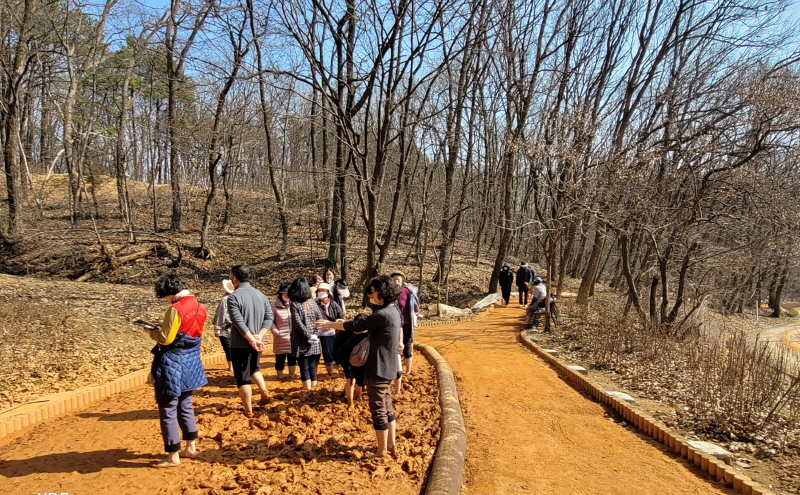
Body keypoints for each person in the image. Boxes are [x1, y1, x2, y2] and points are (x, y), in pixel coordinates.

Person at [316, 275, 401, 457]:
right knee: (387, 407)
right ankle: (391, 445)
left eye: (373, 292)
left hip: (378, 368)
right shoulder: (393, 310)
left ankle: (381, 450)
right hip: (388, 367)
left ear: (382, 292)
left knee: (378, 410)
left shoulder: (382, 314)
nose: (370, 295)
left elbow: (357, 324)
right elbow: (363, 326)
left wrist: (328, 324)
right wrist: (340, 323)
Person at [146, 273, 207, 468]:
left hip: (172, 364)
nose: (164, 300)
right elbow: (189, 332)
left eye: (164, 296)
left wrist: (151, 331)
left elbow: (165, 339)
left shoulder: (175, 309)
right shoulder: (200, 306)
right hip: (191, 362)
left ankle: (173, 455)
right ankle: (191, 446)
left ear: (169, 292)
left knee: (168, 408)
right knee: (186, 405)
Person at [227, 264, 274, 416]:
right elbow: (269, 317)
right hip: (257, 342)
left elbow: (238, 321)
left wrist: (250, 339)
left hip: (240, 343)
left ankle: (249, 410)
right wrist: (259, 336)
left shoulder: (233, 297)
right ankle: (264, 391)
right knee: (254, 368)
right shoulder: (261, 295)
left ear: (234, 278)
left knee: (242, 378)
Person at [288, 277, 324, 390]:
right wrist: (315, 335)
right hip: (314, 340)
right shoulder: (312, 302)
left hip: (300, 340)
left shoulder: (294, 304)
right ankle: (313, 388)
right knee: (312, 365)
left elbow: (298, 323)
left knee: (304, 366)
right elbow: (320, 319)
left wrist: (308, 335)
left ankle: (307, 389)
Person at [390, 271, 419, 376]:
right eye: (394, 280)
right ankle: (394, 367)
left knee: (406, 345)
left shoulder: (406, 291)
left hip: (405, 322)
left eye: (399, 280)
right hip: (393, 322)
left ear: (402, 281)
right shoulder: (388, 292)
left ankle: (408, 370)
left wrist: (415, 315)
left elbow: (412, 306)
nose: (396, 282)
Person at [316, 282, 344, 378]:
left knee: (328, 355)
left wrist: (332, 323)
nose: (321, 292)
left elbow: (341, 317)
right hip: (316, 333)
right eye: (319, 290)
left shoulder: (333, 304)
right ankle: (314, 375)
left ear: (328, 292)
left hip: (329, 333)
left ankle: (330, 374)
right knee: (315, 355)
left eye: (323, 290)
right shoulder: (314, 303)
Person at [270, 282, 296, 381]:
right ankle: (280, 376)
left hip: (293, 337)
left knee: (292, 358)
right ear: (281, 294)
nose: (287, 296)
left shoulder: (294, 304)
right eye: (286, 294)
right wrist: (276, 332)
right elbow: (270, 321)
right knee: (280, 358)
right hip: (280, 337)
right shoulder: (274, 306)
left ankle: (292, 376)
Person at [213, 279, 235, 373]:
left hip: (225, 327)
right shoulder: (237, 297)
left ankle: (231, 366)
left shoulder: (225, 299)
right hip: (236, 327)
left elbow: (221, 314)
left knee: (227, 346)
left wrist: (217, 328)